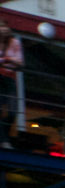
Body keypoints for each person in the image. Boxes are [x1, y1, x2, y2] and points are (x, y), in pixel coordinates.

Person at [0, 19, 23, 149]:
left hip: (9, 78)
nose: (4, 29)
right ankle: (4, 141)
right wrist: (9, 60)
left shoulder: (14, 42)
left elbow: (20, 62)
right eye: (2, 27)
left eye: (5, 27)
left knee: (13, 111)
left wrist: (6, 59)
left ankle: (4, 138)